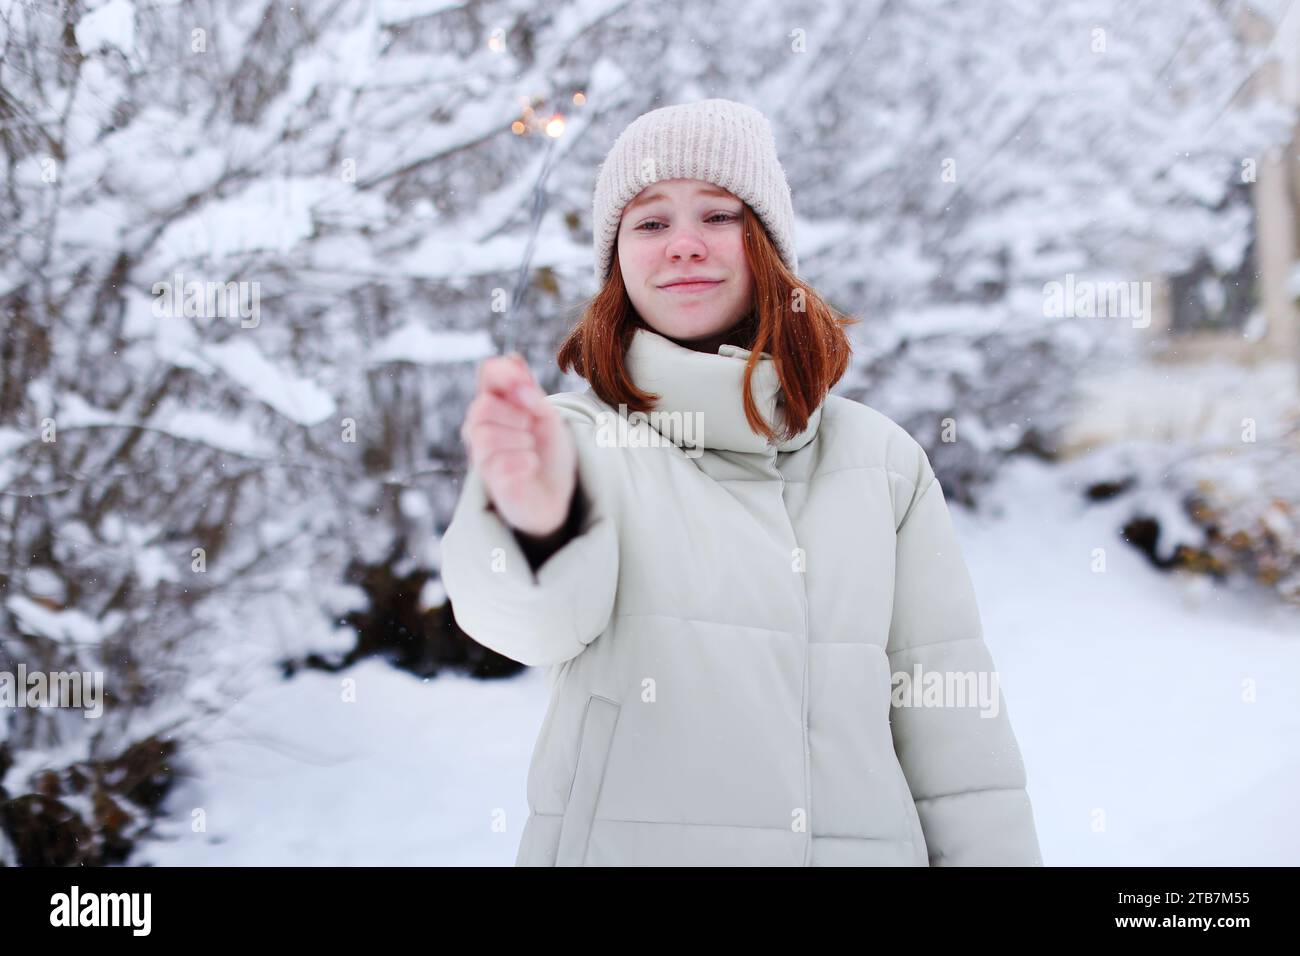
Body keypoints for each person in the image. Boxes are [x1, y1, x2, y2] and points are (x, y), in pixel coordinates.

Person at [440, 98, 1043, 867]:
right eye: (650, 223)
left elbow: (958, 746)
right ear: (616, 261)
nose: (684, 245)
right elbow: (528, 622)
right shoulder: (575, 443)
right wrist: (532, 521)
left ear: (767, 243)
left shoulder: (881, 463)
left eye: (718, 215)